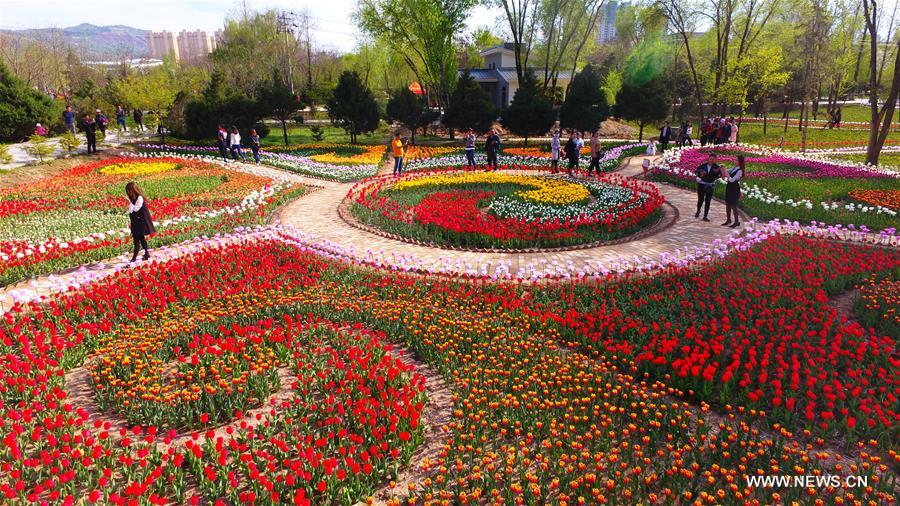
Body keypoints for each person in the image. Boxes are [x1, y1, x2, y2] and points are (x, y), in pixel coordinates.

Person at [125, 182, 155, 263]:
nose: (128, 193)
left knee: (137, 240)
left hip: (141, 222)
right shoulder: (133, 199)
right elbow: (131, 211)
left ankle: (134, 258)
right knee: (141, 239)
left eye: (129, 190)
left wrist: (130, 202)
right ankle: (146, 254)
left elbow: (135, 209)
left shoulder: (139, 198)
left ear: (133, 190)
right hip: (136, 222)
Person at [695, 153, 721, 221]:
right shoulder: (703, 165)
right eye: (710, 159)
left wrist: (716, 174)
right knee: (700, 199)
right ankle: (698, 210)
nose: (711, 160)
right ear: (708, 159)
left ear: (715, 160)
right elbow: (696, 172)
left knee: (708, 201)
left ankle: (705, 216)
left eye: (713, 159)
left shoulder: (716, 167)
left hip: (710, 185)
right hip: (701, 184)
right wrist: (699, 175)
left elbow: (719, 175)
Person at [723, 155, 744, 228]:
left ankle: (737, 221)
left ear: (740, 162)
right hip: (729, 187)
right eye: (735, 160)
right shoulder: (735, 168)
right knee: (728, 203)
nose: (735, 161)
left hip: (734, 188)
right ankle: (728, 219)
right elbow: (726, 172)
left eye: (736, 160)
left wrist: (727, 174)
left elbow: (732, 180)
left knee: (734, 205)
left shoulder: (740, 171)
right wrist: (723, 168)